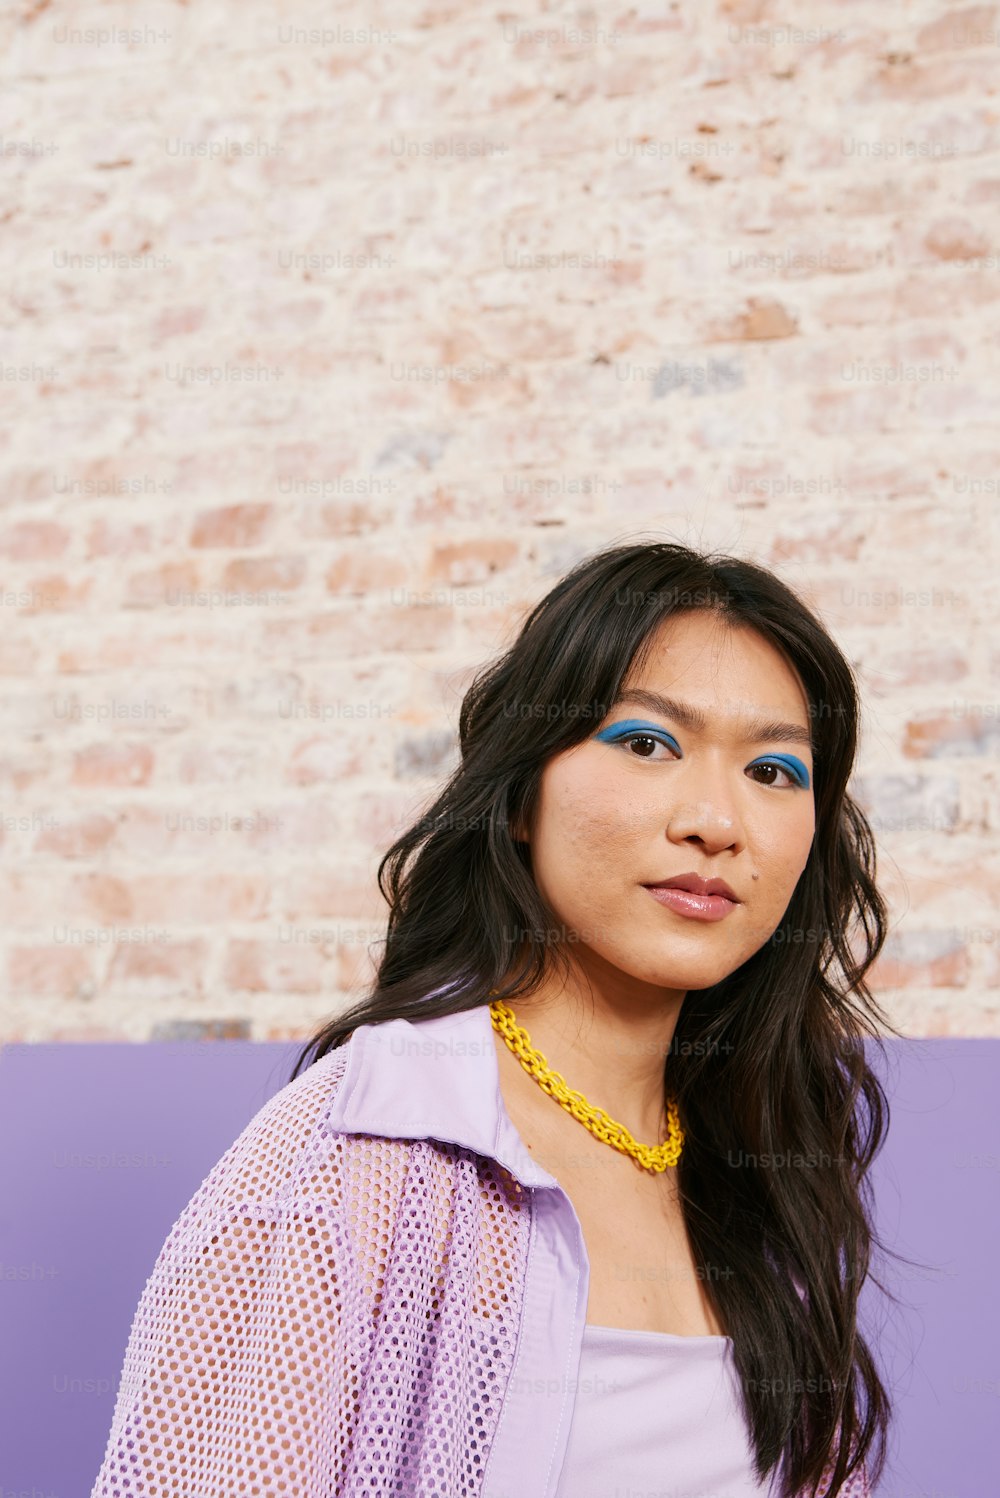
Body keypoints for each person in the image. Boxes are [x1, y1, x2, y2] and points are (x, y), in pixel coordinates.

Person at [90, 538, 899, 1497]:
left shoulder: (761, 1166)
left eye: (774, 770)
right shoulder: (365, 1147)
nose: (716, 822)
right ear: (521, 796)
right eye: (647, 744)